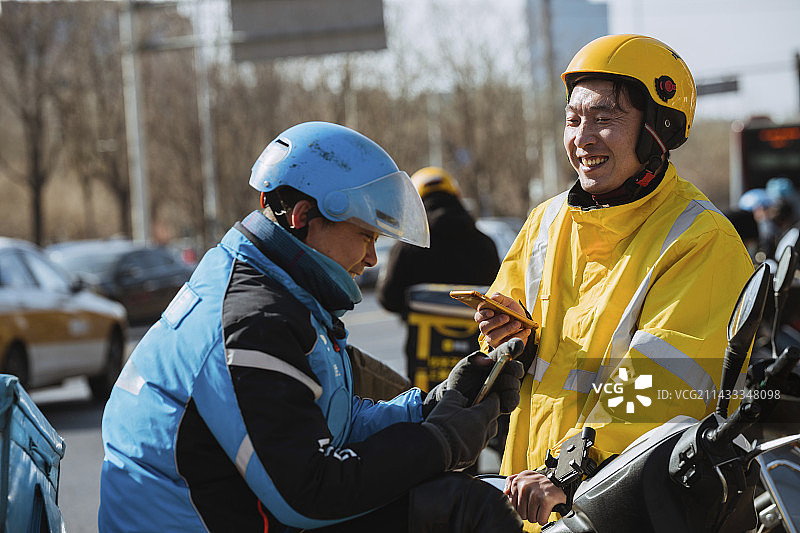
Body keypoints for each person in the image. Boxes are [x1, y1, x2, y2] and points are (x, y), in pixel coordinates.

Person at [99, 121, 526, 532]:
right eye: (366, 236)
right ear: (303, 216)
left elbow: (330, 427)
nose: (372, 259)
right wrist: (439, 441)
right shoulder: (251, 322)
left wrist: (433, 406)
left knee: (452, 499)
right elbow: (310, 490)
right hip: (231, 519)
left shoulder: (275, 292)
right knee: (460, 508)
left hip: (246, 513)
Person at [473, 35, 754, 530]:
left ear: (658, 129)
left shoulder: (700, 238)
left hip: (626, 502)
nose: (583, 138)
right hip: (535, 499)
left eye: (604, 118)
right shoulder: (545, 222)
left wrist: (572, 468)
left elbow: (668, 379)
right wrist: (507, 337)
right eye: (573, 120)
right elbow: (511, 332)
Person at [377, 166, 501, 315]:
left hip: (422, 328)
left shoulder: (407, 247)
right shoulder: (485, 244)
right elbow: (498, 294)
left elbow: (388, 299)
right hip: (478, 328)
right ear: (456, 196)